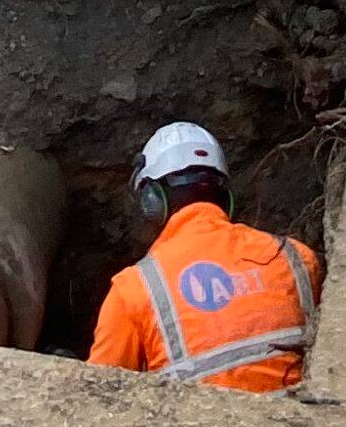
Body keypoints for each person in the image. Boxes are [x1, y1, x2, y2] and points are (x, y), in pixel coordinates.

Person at [85, 123, 323, 393]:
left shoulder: (134, 290)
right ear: (226, 196)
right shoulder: (296, 257)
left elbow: (98, 395)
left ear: (153, 201)